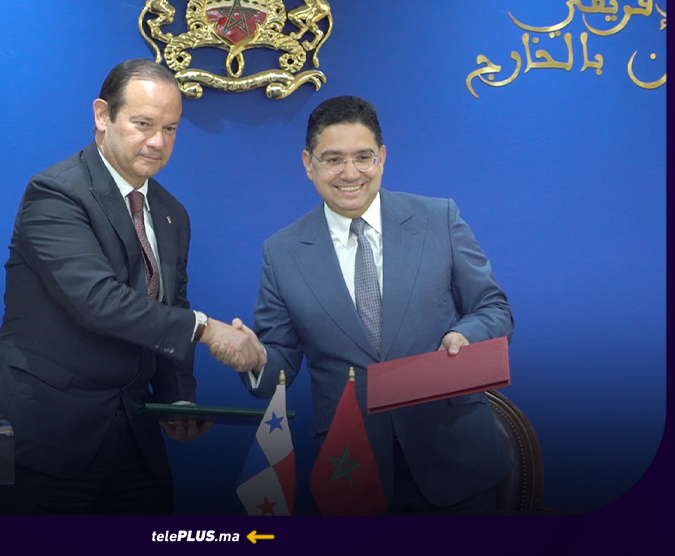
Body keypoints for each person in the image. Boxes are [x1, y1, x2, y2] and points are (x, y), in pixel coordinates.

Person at [0, 59, 263, 515]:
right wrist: (207, 329)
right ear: (103, 115)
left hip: (134, 442)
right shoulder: (55, 193)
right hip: (45, 438)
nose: (158, 141)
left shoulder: (171, 212)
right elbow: (99, 302)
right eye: (143, 124)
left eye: (170, 128)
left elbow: (171, 306)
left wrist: (177, 398)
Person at [219, 95, 513, 513]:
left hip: (455, 457)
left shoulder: (439, 219)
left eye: (363, 157)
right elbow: (279, 362)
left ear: (382, 158)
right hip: (351, 470)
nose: (350, 173)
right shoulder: (281, 253)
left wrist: (463, 335)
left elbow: (494, 309)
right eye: (333, 159)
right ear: (308, 164)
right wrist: (255, 359)